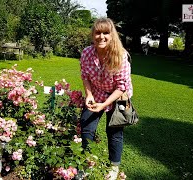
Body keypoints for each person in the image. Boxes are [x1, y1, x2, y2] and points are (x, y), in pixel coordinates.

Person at [79, 18, 133, 180]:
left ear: (112, 35)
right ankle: (86, 163)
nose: (101, 36)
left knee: (114, 132)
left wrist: (104, 104)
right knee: (86, 126)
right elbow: (85, 76)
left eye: (105, 33)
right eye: (98, 32)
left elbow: (121, 86)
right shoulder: (87, 53)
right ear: (93, 34)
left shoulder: (121, 55)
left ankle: (114, 167)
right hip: (96, 94)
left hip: (117, 97)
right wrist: (89, 94)